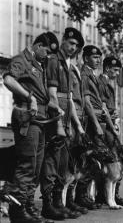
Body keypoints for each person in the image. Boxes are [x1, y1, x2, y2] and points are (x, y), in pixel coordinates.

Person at [3, 32, 59, 223]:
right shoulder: (22, 60)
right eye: (46, 52)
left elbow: (41, 93)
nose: (47, 57)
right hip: (27, 117)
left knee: (36, 167)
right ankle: (17, 210)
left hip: (41, 121)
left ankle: (27, 206)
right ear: (38, 45)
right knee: (27, 165)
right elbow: (9, 80)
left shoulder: (38, 65)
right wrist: (29, 97)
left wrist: (54, 106)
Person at [40, 27, 85, 220]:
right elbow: (52, 95)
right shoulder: (53, 61)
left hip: (65, 121)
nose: (73, 48)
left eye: (76, 46)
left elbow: (69, 98)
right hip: (54, 120)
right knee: (51, 163)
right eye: (71, 43)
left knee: (62, 164)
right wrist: (59, 124)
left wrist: (77, 126)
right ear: (64, 40)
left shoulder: (66, 64)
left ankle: (59, 202)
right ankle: (48, 205)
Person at [77, 45, 115, 208]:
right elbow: (87, 103)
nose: (98, 60)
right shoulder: (85, 75)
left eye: (100, 57)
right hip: (92, 123)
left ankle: (85, 195)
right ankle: (81, 195)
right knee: (91, 159)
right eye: (94, 57)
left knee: (94, 159)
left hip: (99, 121)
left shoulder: (92, 75)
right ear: (86, 58)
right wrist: (97, 125)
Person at [98, 56, 123, 206]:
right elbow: (103, 109)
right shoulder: (102, 83)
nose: (117, 73)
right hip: (106, 127)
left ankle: (112, 194)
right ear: (107, 69)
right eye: (115, 70)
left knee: (114, 159)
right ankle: (108, 196)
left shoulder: (108, 84)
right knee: (113, 159)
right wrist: (112, 125)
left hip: (109, 125)